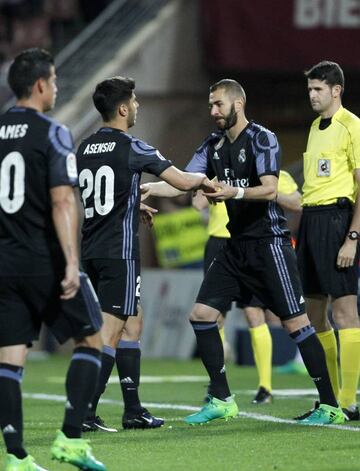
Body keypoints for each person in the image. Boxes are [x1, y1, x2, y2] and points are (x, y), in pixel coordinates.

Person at [142, 79, 344, 425]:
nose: (213, 112)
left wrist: (231, 194)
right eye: (210, 105)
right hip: (235, 248)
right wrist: (146, 187)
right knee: (202, 315)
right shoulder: (213, 145)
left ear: (239, 103)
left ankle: (330, 405)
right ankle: (221, 398)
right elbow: (186, 181)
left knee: (296, 323)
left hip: (269, 244)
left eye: (218, 104)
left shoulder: (263, 138)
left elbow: (268, 190)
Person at [76, 76, 216, 432]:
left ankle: (133, 409)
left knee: (132, 322)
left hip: (92, 247)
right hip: (119, 253)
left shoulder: (84, 147)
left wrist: (132, 204)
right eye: (135, 101)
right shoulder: (133, 146)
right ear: (122, 108)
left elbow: (100, 195)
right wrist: (207, 180)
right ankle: (86, 413)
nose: (138, 106)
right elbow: (183, 182)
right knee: (110, 332)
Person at [0, 48, 106, 471]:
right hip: (43, 256)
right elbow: (64, 200)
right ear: (41, 84)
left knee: (9, 357)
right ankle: (71, 439)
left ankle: (15, 457)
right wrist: (70, 263)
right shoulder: (53, 132)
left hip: (4, 263)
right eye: (56, 81)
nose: (57, 88)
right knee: (92, 337)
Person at [193, 170, 304, 405]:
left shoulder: (274, 174)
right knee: (214, 317)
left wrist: (265, 193)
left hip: (251, 242)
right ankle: (217, 384)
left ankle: (265, 387)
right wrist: (209, 183)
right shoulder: (220, 171)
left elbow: (296, 202)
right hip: (218, 242)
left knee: (254, 314)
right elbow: (197, 203)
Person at [296, 60, 360, 421]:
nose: (312, 96)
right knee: (315, 314)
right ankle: (330, 400)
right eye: (309, 90)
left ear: (336, 90)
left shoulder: (352, 126)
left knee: (345, 311)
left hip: (338, 221)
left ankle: (348, 401)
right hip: (311, 220)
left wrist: (352, 237)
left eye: (318, 89)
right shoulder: (313, 127)